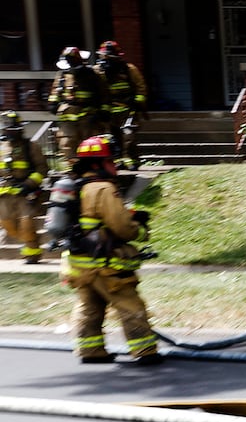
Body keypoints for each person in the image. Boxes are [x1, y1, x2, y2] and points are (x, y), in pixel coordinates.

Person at [58, 135, 160, 366]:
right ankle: (145, 351)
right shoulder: (103, 188)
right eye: (110, 161)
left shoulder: (75, 187)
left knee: (89, 307)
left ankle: (90, 351)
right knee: (129, 304)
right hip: (105, 264)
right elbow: (122, 227)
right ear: (98, 163)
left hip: (79, 264)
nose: (113, 166)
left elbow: (89, 221)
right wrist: (139, 229)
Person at [1, 111, 48, 264]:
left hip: (25, 194)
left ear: (20, 129)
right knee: (9, 226)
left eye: (14, 129)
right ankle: (29, 241)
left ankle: (32, 253)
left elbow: (42, 169)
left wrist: (28, 184)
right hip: (5, 195)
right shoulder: (1, 148)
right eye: (8, 129)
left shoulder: (30, 147)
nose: (11, 132)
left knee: (27, 223)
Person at [93, 41, 148, 170]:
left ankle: (131, 161)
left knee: (128, 136)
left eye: (110, 57)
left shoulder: (129, 69)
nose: (107, 59)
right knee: (111, 138)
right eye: (105, 56)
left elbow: (141, 87)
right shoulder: (97, 71)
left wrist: (136, 101)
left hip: (127, 109)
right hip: (109, 110)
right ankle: (117, 161)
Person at [46, 47, 107, 159]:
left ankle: (90, 168)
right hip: (67, 117)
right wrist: (53, 103)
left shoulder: (92, 74)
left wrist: (102, 111)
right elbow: (56, 91)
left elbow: (103, 94)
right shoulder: (62, 75)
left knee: (89, 144)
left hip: (88, 116)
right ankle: (72, 170)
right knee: (67, 143)